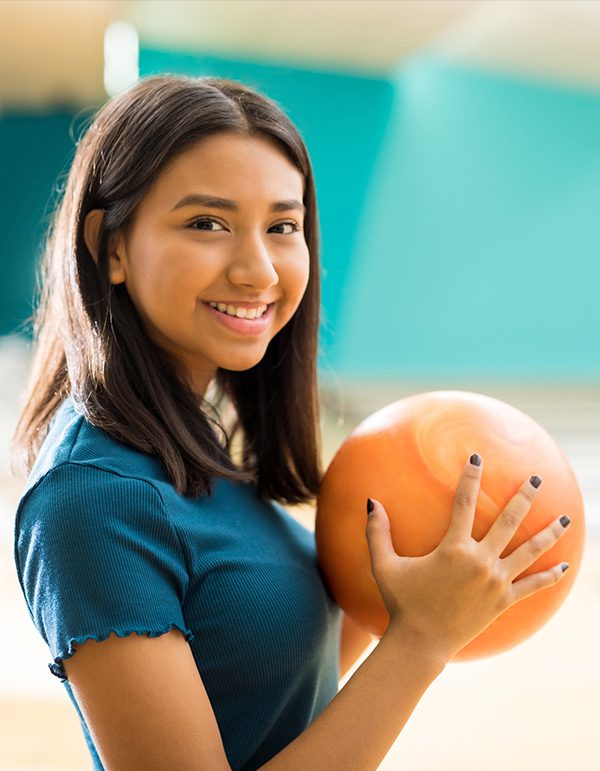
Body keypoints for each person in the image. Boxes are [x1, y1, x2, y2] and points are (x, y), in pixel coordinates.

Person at [11, 74, 571, 771]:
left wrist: (390, 595)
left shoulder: (195, 446)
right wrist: (420, 640)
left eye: (282, 226)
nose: (258, 270)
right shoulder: (91, 497)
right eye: (207, 223)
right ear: (111, 247)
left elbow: (273, 693)